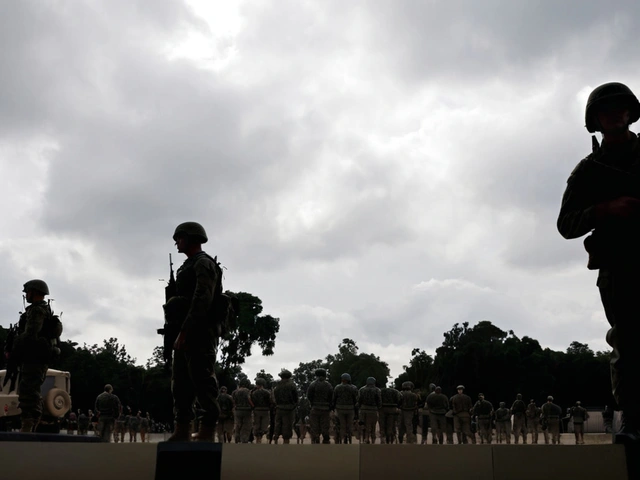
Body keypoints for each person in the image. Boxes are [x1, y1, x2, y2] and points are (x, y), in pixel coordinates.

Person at [557, 82, 640, 444]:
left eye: (621, 107)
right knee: (628, 343)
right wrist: (607, 209)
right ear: (595, 120)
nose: (615, 114)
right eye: (606, 110)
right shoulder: (589, 170)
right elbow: (567, 224)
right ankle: (634, 420)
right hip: (620, 266)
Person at [165, 222, 223, 442]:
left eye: (180, 237)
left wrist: (186, 331)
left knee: (202, 380)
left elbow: (202, 301)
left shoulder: (204, 264)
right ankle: (182, 429)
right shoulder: (187, 266)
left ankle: (208, 429)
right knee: (180, 383)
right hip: (185, 331)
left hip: (199, 333)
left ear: (190, 238)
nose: (176, 242)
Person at [11, 280, 60, 433]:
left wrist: (16, 345)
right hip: (37, 356)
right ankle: (31, 424)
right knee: (31, 389)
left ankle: (28, 425)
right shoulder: (43, 309)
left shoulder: (37, 310)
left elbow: (31, 333)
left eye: (28, 292)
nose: (26, 295)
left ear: (34, 292)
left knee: (28, 390)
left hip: (34, 357)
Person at [307, 368, 333, 444]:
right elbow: (331, 396)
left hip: (315, 407)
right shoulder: (328, 385)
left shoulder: (313, 384)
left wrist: (312, 404)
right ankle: (325, 438)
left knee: (314, 425)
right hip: (325, 408)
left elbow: (309, 396)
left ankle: (315, 437)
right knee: (325, 425)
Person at [272, 369, 298, 444]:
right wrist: (294, 405)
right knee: (287, 426)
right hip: (289, 409)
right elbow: (295, 396)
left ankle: (275, 440)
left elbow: (274, 397)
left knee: (278, 425)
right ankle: (285, 443)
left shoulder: (277, 385)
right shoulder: (292, 385)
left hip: (279, 408)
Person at [332, 373, 358, 444]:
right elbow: (356, 400)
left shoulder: (337, 387)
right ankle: (349, 436)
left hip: (340, 409)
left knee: (342, 424)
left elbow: (334, 398)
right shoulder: (353, 388)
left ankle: (342, 437)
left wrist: (333, 408)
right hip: (350, 409)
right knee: (349, 424)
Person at [358, 377, 382, 444]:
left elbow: (359, 400)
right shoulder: (377, 390)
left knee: (364, 425)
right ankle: (373, 438)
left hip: (363, 409)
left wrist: (359, 407)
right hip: (373, 410)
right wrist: (379, 408)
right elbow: (379, 401)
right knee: (373, 425)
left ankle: (366, 438)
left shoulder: (362, 389)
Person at [251, 378, 273, 443]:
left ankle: (258, 438)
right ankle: (261, 436)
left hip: (256, 410)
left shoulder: (254, 393)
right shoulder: (267, 392)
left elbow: (252, 401)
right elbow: (271, 401)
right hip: (265, 411)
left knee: (257, 425)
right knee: (264, 426)